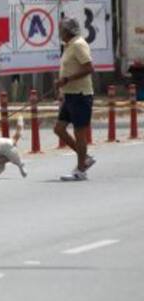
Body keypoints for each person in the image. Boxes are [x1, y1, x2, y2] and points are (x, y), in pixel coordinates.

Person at [55, 15, 96, 181]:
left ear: (67, 31)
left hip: (81, 94)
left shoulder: (79, 44)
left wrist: (67, 79)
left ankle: (81, 170)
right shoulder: (68, 45)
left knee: (80, 133)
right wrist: (62, 88)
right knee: (59, 128)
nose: (59, 32)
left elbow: (89, 68)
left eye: (61, 29)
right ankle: (85, 158)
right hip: (69, 94)